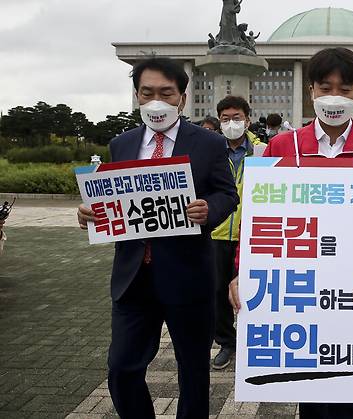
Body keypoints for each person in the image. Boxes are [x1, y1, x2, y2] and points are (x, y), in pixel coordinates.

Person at [229, 47, 353, 419]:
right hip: (301, 278)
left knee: (350, 377)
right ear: (311, 91)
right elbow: (258, 214)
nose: (335, 97)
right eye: (325, 87)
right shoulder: (283, 147)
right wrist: (242, 269)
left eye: (345, 89)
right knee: (311, 381)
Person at [76, 57, 239, 419]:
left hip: (188, 275)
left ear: (182, 97)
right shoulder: (122, 143)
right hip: (134, 278)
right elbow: (112, 198)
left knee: (193, 373)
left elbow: (228, 195)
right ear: (136, 95)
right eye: (147, 92)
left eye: (166, 93)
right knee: (121, 368)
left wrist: (207, 210)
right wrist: (90, 213)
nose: (156, 101)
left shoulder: (208, 143)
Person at [210, 95, 261, 370]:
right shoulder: (210, 151)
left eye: (237, 117)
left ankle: (254, 339)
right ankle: (227, 343)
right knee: (218, 292)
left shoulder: (263, 151)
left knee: (253, 288)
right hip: (217, 234)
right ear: (219, 121)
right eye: (226, 118)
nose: (232, 123)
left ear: (248, 119)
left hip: (254, 233)